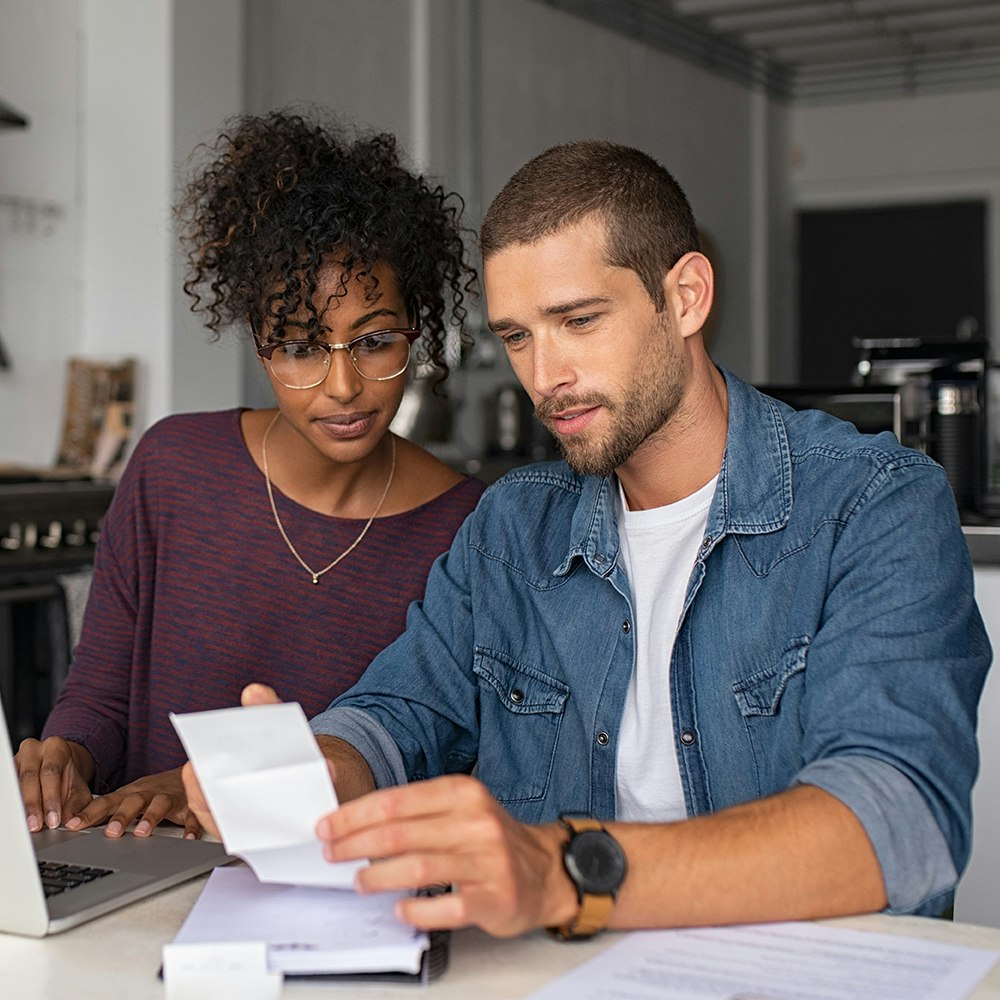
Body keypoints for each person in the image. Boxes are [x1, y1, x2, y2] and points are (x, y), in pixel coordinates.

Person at [185, 139, 991, 937]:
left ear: (686, 297)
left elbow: (900, 821)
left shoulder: (874, 504)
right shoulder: (512, 528)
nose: (544, 376)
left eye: (577, 320)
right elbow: (398, 712)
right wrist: (318, 770)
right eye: (518, 336)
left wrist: (568, 872)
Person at [16, 110, 485, 840]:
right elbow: (100, 697)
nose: (342, 386)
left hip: (335, 899)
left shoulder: (468, 528)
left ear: (416, 333)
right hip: (139, 872)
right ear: (260, 348)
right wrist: (65, 757)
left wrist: (207, 789)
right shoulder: (172, 468)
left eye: (375, 341)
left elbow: (437, 757)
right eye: (300, 347)